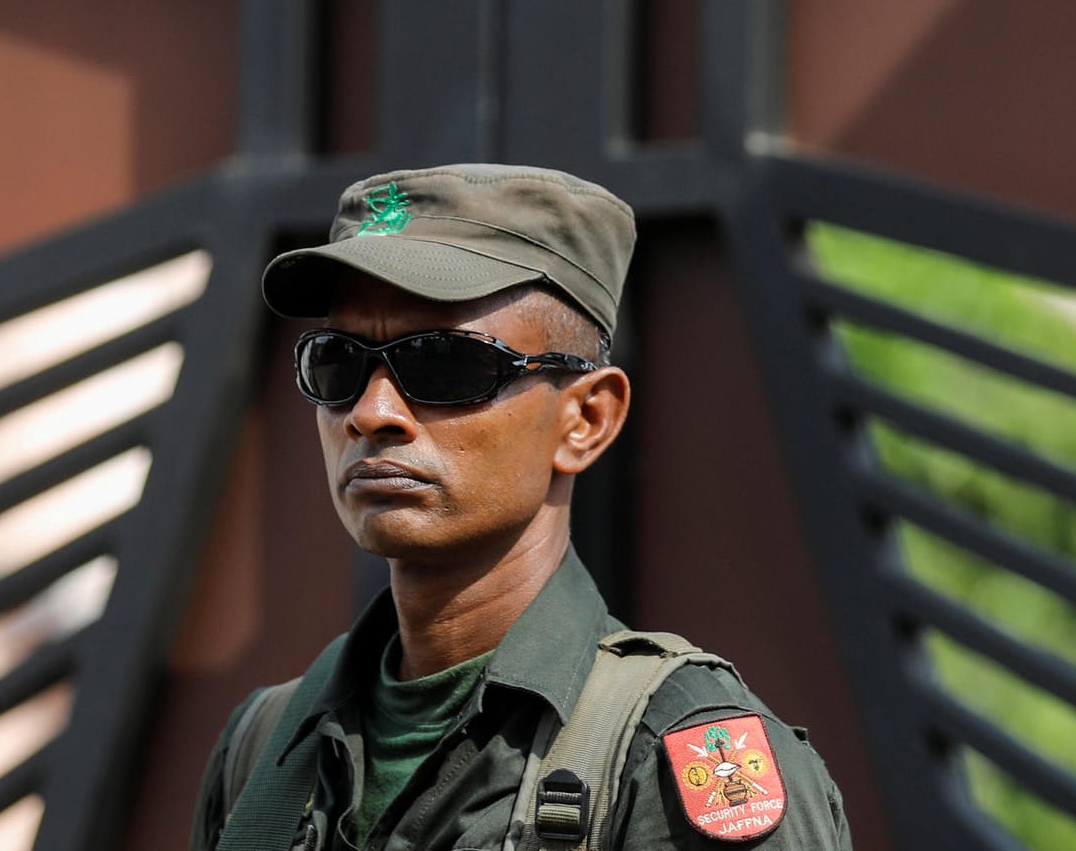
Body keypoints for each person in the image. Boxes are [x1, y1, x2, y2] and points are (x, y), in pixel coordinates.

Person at [192, 164, 851, 850]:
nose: (371, 412)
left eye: (444, 365)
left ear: (586, 420)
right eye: (337, 362)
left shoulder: (675, 755)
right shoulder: (264, 749)